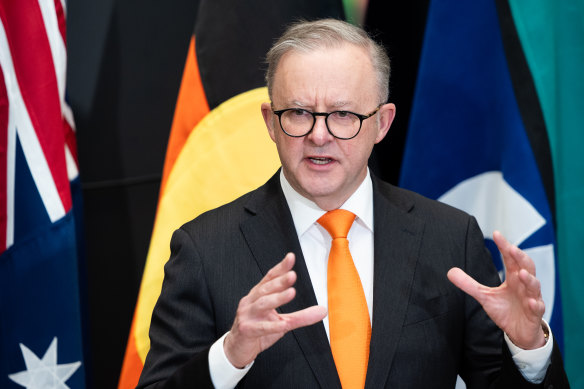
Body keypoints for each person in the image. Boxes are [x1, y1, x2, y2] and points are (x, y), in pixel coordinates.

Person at [137, 19, 569, 388]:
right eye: (299, 113)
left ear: (382, 123)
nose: (319, 135)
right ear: (271, 122)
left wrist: (528, 348)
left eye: (343, 114)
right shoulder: (205, 248)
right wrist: (229, 355)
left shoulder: (449, 238)